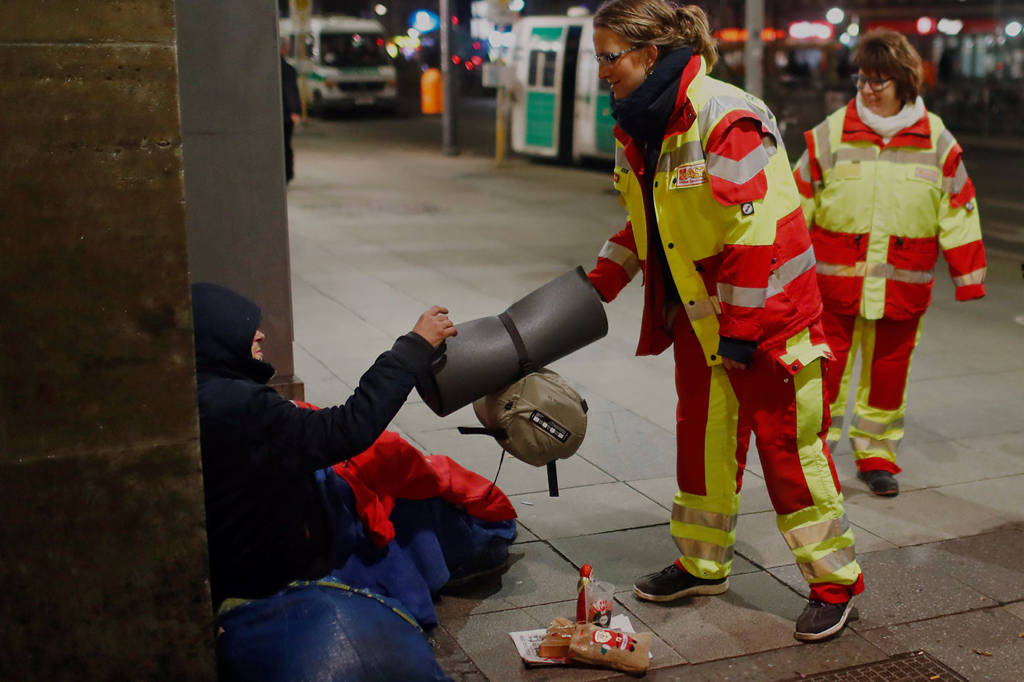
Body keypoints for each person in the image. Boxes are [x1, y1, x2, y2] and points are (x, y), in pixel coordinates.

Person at [585, 0, 864, 642]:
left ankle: (833, 582)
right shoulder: (638, 125)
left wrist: (740, 331)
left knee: (790, 450)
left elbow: (752, 232)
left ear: (650, 54)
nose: (603, 71)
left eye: (610, 56)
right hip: (703, 317)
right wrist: (602, 278)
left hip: (769, 318)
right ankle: (702, 563)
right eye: (598, 57)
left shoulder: (724, 115)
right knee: (703, 442)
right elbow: (647, 220)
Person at [191, 282, 516, 615]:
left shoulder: (202, 390)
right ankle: (466, 552)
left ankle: (461, 546)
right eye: (244, 329)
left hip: (258, 543)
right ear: (214, 339)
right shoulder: (236, 405)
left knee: (388, 460)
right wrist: (414, 348)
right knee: (389, 474)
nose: (259, 335)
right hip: (276, 569)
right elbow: (350, 426)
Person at [794, 30, 986, 497]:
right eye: (862, 80)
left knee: (888, 377)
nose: (867, 90)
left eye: (878, 82)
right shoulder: (831, 132)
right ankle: (815, 461)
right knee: (825, 378)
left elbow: (959, 205)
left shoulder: (936, 139)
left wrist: (969, 275)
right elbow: (796, 201)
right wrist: (780, 267)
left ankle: (876, 455)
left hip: (903, 290)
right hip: (834, 289)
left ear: (904, 83)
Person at [281, 54, 302, 183]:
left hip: (284, 115)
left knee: (284, 146)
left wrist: (294, 110)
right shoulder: (288, 68)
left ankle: (287, 173)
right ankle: (287, 173)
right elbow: (292, 90)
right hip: (286, 115)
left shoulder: (281, 69)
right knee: (286, 145)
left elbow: (290, 90)